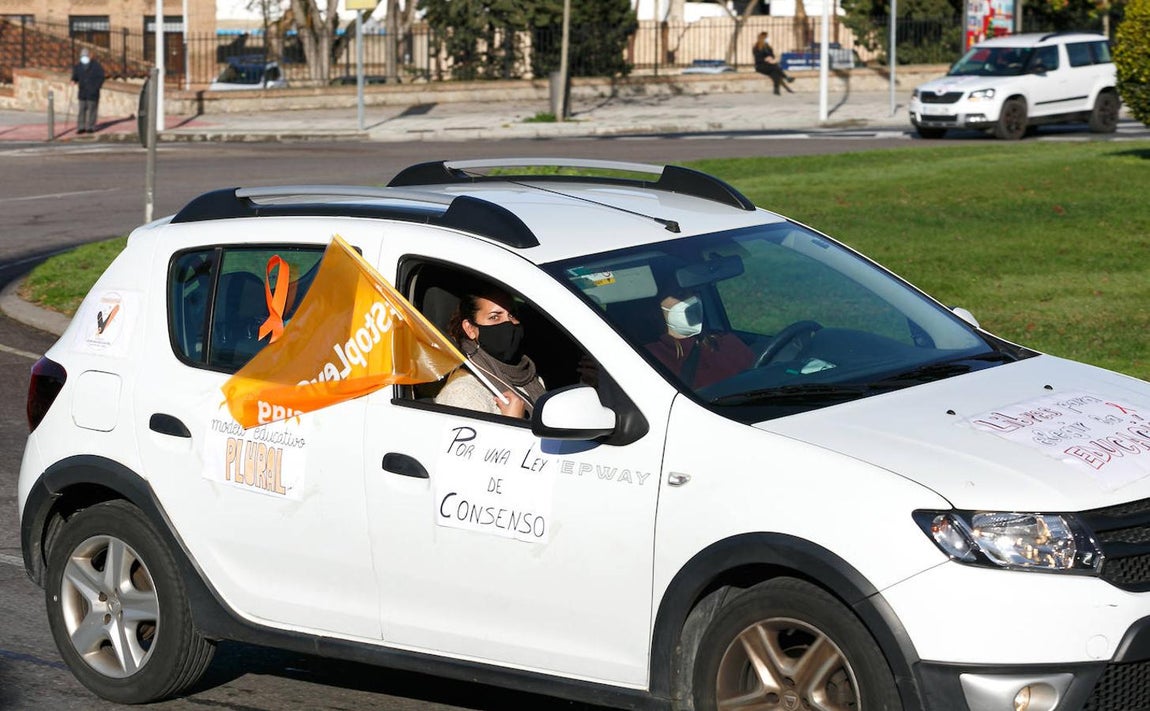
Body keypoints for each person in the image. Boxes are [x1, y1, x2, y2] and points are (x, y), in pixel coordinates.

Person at [435, 287, 546, 418]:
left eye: (512, 315)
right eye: (494, 317)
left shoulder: (528, 374)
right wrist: (512, 422)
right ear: (470, 329)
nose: (508, 323)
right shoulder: (461, 393)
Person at [645, 290, 754, 389]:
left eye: (695, 292)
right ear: (655, 309)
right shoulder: (648, 357)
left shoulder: (728, 343)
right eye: (680, 294)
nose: (692, 300)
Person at [71, 48, 106, 134]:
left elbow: (101, 77)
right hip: (82, 92)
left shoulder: (96, 66)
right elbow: (75, 76)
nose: (84, 58)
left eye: (85, 56)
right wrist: (73, 80)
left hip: (93, 92)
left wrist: (96, 87)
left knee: (92, 110)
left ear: (89, 56)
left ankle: (91, 127)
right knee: (81, 110)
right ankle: (81, 127)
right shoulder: (78, 66)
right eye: (82, 56)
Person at [752, 31, 794, 96]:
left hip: (770, 65)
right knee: (775, 67)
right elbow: (757, 59)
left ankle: (776, 90)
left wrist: (771, 59)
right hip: (760, 66)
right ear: (763, 38)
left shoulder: (768, 47)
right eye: (767, 37)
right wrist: (765, 59)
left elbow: (772, 56)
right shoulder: (756, 47)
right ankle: (786, 78)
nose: (768, 39)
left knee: (775, 72)